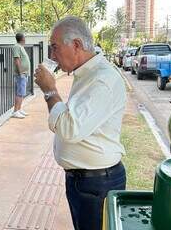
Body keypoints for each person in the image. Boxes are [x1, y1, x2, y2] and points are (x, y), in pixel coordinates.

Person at [34, 16, 127, 230]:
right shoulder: (87, 74)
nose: (52, 55)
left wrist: (50, 90)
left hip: (96, 183)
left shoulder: (102, 79)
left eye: (55, 47)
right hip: (84, 180)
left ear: (76, 45)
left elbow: (69, 128)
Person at [12, 32, 31, 119]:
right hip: (21, 74)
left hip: (24, 73)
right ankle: (16, 111)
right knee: (20, 92)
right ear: (22, 38)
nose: (25, 39)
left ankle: (19, 109)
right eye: (24, 37)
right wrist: (20, 73)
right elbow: (17, 60)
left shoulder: (20, 47)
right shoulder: (16, 47)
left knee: (21, 92)